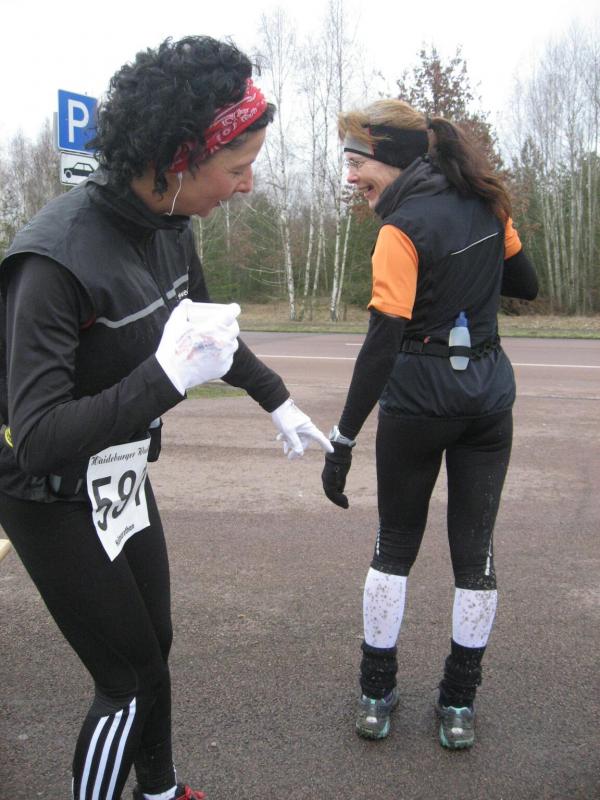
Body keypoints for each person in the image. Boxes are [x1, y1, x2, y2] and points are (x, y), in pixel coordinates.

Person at [0, 36, 332, 800]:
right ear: (180, 159)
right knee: (127, 678)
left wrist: (276, 397)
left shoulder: (170, 227)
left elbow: (209, 335)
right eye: (239, 166)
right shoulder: (53, 261)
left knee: (157, 644)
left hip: (116, 472)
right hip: (44, 490)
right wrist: (161, 379)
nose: (248, 184)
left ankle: (160, 790)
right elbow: (40, 437)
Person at [321, 99, 538, 750]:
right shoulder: (487, 204)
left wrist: (343, 439)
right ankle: (458, 705)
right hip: (488, 403)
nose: (351, 177)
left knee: (394, 548)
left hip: (416, 406)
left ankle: (376, 695)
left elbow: (381, 343)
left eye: (357, 163)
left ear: (391, 159)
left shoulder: (401, 228)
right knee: (476, 556)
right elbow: (525, 283)